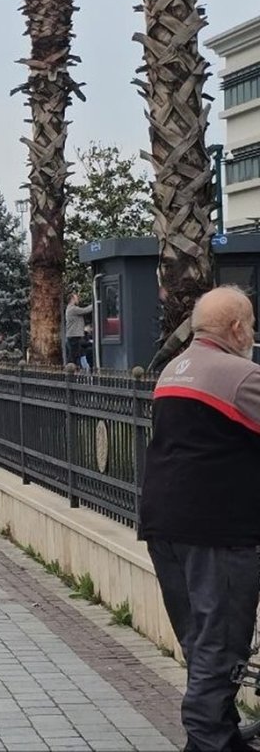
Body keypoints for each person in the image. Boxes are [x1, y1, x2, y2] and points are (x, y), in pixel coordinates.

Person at [138, 286, 260, 752]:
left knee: (198, 639)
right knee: (221, 642)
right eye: (249, 322)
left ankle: (222, 733)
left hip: (164, 523)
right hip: (217, 530)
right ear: (236, 328)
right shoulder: (240, 375)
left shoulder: (175, 368)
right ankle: (208, 742)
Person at [65, 293, 94, 366]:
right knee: (73, 356)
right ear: (72, 299)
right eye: (76, 298)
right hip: (74, 336)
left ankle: (73, 370)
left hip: (74, 335)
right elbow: (85, 310)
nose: (78, 299)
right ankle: (70, 371)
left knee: (77, 354)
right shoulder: (73, 309)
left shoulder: (70, 308)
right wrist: (95, 303)